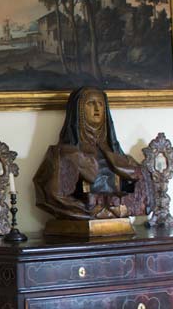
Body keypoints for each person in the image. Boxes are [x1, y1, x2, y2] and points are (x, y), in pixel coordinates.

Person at [33, 87, 148, 221]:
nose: (97, 108)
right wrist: (98, 211)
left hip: (115, 224)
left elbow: (144, 195)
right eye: (90, 103)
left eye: (100, 104)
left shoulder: (118, 156)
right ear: (78, 111)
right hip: (81, 225)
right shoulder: (64, 154)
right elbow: (54, 197)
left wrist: (119, 205)